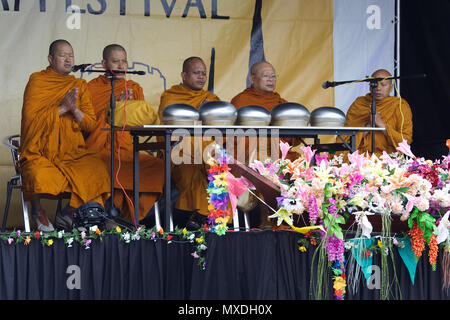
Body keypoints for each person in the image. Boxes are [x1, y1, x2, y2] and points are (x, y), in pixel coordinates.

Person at [19, 39, 110, 232]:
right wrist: (63, 108)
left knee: (97, 168)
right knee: (37, 173)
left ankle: (69, 212)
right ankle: (37, 211)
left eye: (71, 55)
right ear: (51, 59)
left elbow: (90, 124)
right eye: (63, 55)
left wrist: (75, 109)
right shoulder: (38, 81)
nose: (68, 59)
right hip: (41, 151)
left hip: (72, 152)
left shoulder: (79, 84)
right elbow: (30, 120)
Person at [85, 44, 165, 224]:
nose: (121, 66)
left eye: (124, 62)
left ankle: (128, 219)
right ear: (104, 64)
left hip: (126, 150)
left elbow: (141, 126)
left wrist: (128, 109)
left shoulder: (134, 88)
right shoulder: (90, 88)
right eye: (115, 61)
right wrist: (115, 109)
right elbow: (86, 125)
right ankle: (111, 216)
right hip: (97, 150)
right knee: (102, 166)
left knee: (158, 167)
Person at [158, 57, 220, 229]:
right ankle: (201, 217)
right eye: (196, 73)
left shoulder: (211, 99)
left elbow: (223, 128)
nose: (201, 77)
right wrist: (196, 114)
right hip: (179, 153)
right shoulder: (171, 97)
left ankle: (213, 220)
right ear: (184, 75)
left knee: (220, 173)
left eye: (204, 73)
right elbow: (167, 131)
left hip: (207, 152)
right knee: (192, 171)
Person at [230, 61, 299, 163]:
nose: (270, 79)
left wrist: (279, 138)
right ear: (252, 79)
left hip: (278, 154)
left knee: (299, 163)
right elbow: (232, 134)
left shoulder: (281, 103)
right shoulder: (241, 100)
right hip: (249, 153)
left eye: (273, 76)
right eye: (265, 76)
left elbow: (295, 136)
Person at [344, 69, 413, 156]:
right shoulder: (359, 104)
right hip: (360, 158)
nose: (378, 88)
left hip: (388, 159)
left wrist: (381, 125)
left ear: (391, 87)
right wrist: (369, 125)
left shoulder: (399, 105)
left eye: (383, 85)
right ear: (370, 86)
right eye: (375, 84)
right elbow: (345, 139)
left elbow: (405, 141)